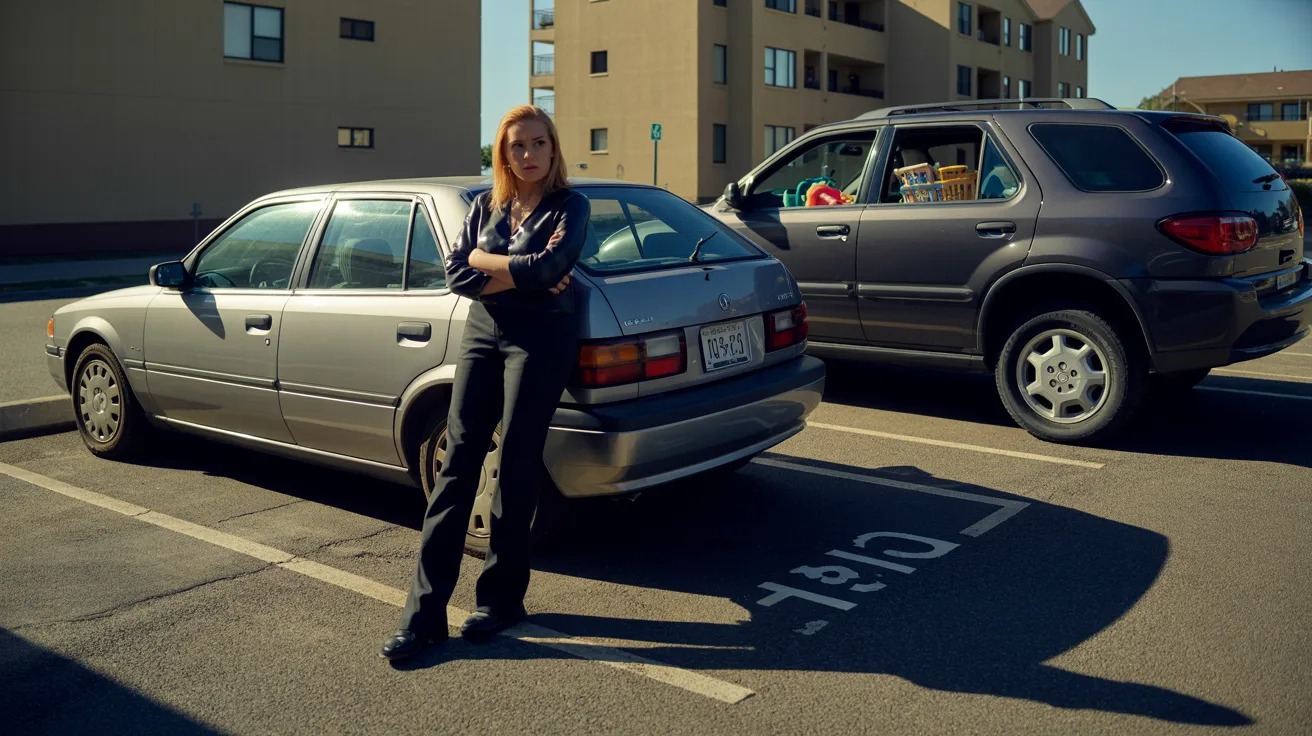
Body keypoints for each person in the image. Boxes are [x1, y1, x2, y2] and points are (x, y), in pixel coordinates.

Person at [381, 105, 590, 661]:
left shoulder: (572, 204)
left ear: (554, 149)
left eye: (538, 144)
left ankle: (500, 601)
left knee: (517, 463)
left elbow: (551, 272)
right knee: (458, 463)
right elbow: (457, 274)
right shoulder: (483, 204)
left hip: (541, 339)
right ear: (503, 153)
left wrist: (488, 264)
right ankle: (422, 618)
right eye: (517, 146)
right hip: (483, 334)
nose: (528, 155)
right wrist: (506, 268)